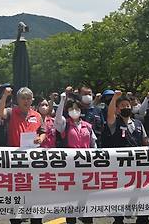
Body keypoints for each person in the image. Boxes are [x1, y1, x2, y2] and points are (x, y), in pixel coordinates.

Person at [0, 86, 45, 224]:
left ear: (32, 100)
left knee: (35, 194)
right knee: (17, 195)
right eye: (23, 98)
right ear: (17, 100)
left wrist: (41, 139)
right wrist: (5, 96)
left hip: (33, 161)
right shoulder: (11, 112)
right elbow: (0, 112)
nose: (26, 101)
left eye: (29, 98)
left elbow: (43, 131)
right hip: (15, 161)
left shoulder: (37, 115)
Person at [105, 91, 149, 224]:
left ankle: (142, 217)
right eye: (123, 105)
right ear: (118, 109)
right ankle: (118, 219)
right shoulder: (114, 123)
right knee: (119, 191)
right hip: (120, 163)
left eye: (128, 105)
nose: (126, 108)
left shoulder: (138, 123)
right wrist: (115, 98)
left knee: (139, 190)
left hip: (137, 163)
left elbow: (145, 141)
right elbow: (110, 114)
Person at [54, 88, 96, 224]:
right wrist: (61, 101)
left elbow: (93, 144)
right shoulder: (65, 124)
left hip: (86, 167)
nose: (74, 110)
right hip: (70, 168)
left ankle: (87, 219)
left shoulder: (88, 126)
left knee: (86, 197)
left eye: (77, 108)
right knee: (70, 199)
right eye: (71, 108)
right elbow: (57, 120)